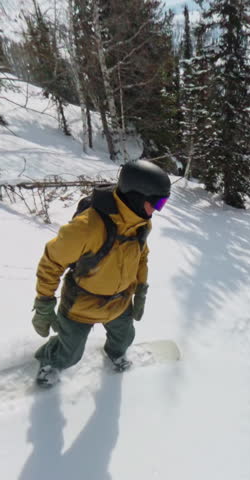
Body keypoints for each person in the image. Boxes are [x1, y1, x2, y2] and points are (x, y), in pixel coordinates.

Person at [30, 160, 171, 387]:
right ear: (136, 196)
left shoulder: (141, 225)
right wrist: (44, 303)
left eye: (162, 203)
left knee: (124, 338)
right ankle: (50, 361)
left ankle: (116, 354)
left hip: (119, 302)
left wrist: (140, 290)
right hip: (81, 304)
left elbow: (141, 257)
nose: (157, 209)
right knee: (70, 353)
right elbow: (51, 262)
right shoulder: (86, 227)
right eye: (157, 202)